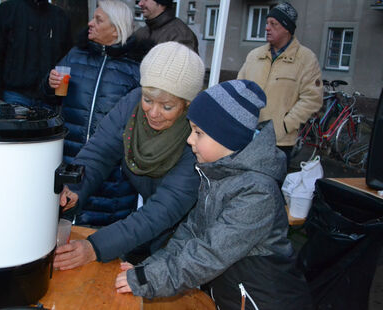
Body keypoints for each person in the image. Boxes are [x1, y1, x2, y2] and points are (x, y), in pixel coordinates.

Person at [115, 80, 312, 310]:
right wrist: (147, 269)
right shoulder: (218, 176)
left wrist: (148, 279)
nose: (190, 140)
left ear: (227, 138)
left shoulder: (257, 193)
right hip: (234, 298)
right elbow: (190, 234)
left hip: (266, 302)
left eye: (198, 133)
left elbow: (208, 254)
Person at [54, 42, 205, 270]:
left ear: (187, 105)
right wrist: (74, 188)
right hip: (149, 225)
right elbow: (99, 153)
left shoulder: (198, 136)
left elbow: (164, 208)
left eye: (167, 107)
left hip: (191, 236)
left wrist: (96, 247)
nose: (153, 113)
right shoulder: (131, 107)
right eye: (148, 99)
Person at [43, 0, 141, 226]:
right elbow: (50, 97)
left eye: (98, 19)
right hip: (70, 160)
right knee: (61, 231)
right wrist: (49, 84)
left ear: (116, 28)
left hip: (113, 176)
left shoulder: (136, 69)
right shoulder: (75, 55)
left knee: (101, 241)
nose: (90, 23)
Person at [237, 2, 322, 165]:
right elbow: (239, 89)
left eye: (273, 24)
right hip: (247, 136)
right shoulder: (254, 56)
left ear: (287, 28)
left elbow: (312, 100)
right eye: (267, 23)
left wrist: (283, 127)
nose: (267, 28)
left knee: (270, 187)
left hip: (279, 143)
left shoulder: (306, 59)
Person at [0, 0, 72, 109]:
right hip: (13, 97)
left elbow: (66, 60)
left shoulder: (60, 17)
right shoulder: (7, 10)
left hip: (49, 101)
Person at [131, 0, 198, 61]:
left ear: (162, 5)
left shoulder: (180, 35)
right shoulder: (141, 32)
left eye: (146, 0)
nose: (140, 3)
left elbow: (183, 69)